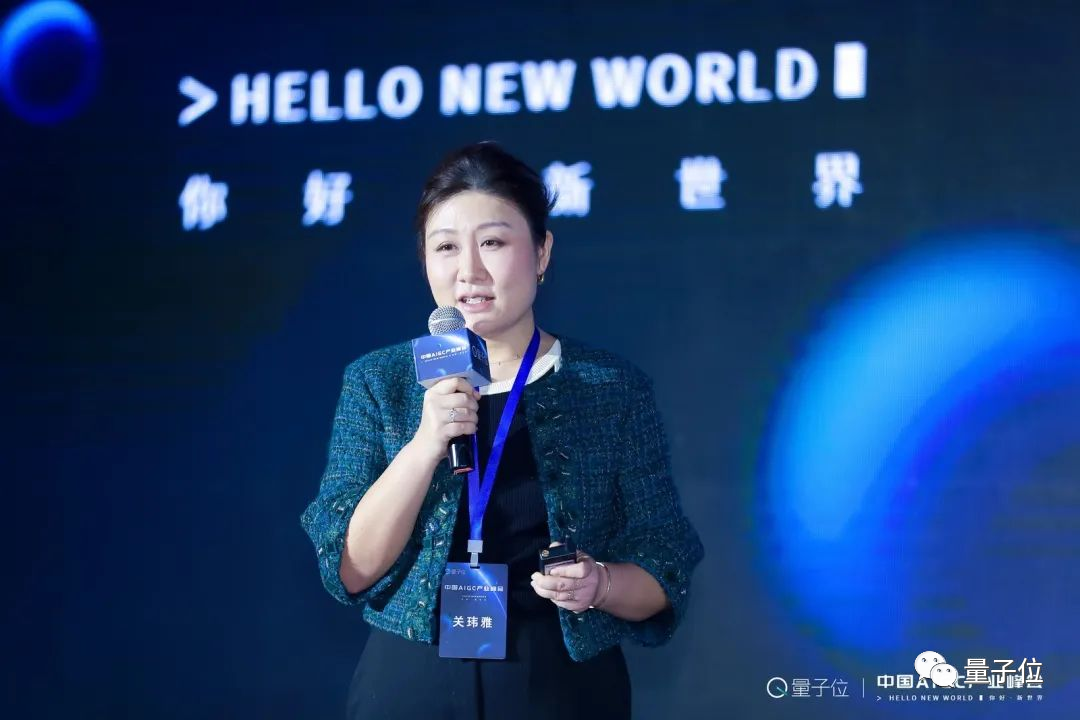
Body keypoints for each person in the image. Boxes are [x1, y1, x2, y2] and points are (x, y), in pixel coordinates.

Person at [301, 141, 704, 719]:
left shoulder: (609, 387)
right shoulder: (379, 382)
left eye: (492, 242)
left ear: (541, 252)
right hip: (412, 684)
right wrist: (425, 444)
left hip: (559, 686)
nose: (468, 271)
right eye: (445, 247)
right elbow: (349, 567)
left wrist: (601, 585)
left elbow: (664, 560)